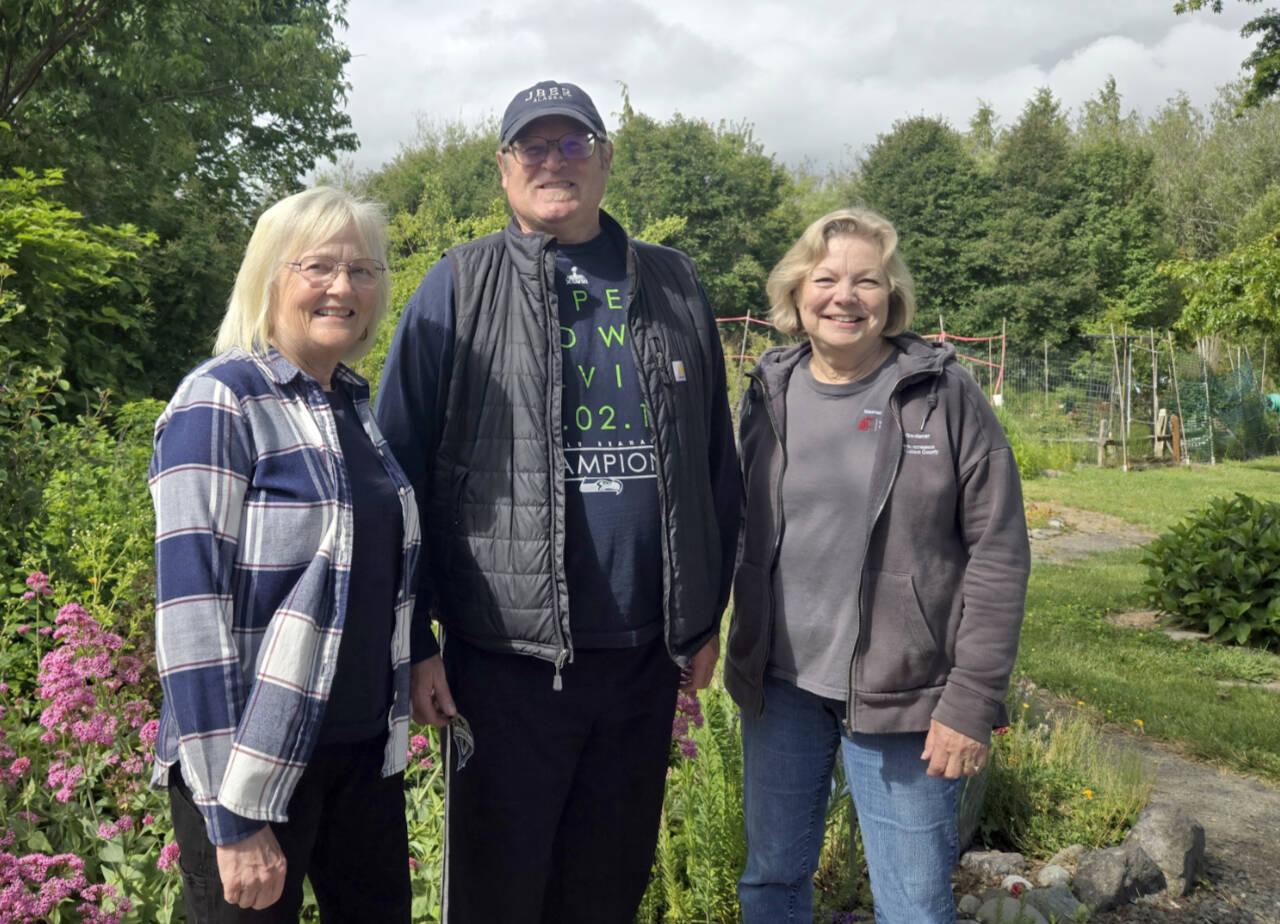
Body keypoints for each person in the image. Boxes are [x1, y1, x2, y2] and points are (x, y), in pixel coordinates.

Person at [375, 79, 741, 924]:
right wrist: (416, 638)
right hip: (503, 660)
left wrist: (703, 616)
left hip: (644, 658)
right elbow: (399, 471)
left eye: (572, 144)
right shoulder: (457, 286)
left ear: (606, 160)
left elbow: (714, 463)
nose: (553, 162)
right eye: (532, 147)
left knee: (607, 889)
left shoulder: (674, 283)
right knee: (500, 894)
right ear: (503, 169)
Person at [725, 208, 1030, 924]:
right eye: (826, 278)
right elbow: (736, 525)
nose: (845, 296)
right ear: (797, 294)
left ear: (891, 298)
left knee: (914, 905)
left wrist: (971, 701)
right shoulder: (769, 391)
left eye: (867, 280)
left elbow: (1000, 552)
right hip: (781, 687)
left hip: (907, 696)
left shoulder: (942, 396)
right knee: (771, 880)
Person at [149, 187, 422, 922]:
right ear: (270, 277)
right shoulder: (220, 400)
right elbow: (190, 622)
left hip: (362, 753)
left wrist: (417, 662)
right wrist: (234, 818)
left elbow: (373, 574)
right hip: (257, 766)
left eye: (363, 271)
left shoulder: (352, 406)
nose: (344, 288)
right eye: (319, 267)